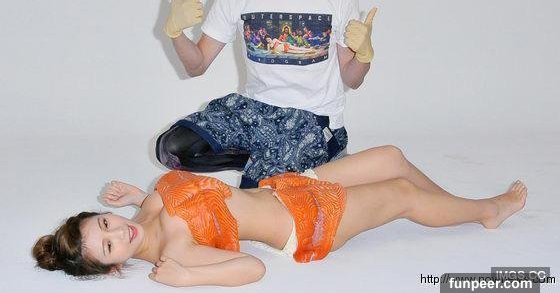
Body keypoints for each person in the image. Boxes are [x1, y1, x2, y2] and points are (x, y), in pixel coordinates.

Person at [33, 145, 527, 287]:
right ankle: (487, 211)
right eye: (109, 246)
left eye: (104, 223)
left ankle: (453, 207)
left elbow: (186, 199)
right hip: (307, 224)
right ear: (115, 267)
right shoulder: (176, 253)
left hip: (289, 188)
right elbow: (252, 268)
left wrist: (137, 195)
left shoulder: (144, 210)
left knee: (392, 158)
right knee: (401, 193)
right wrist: (186, 279)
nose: (118, 231)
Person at [157, 0, 377, 187]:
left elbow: (352, 79)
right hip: (257, 113)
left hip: (313, 120)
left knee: (256, 199)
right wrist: (175, 32)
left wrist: (364, 53)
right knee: (173, 148)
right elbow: (197, 66)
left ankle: (311, 162)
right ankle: (267, 161)